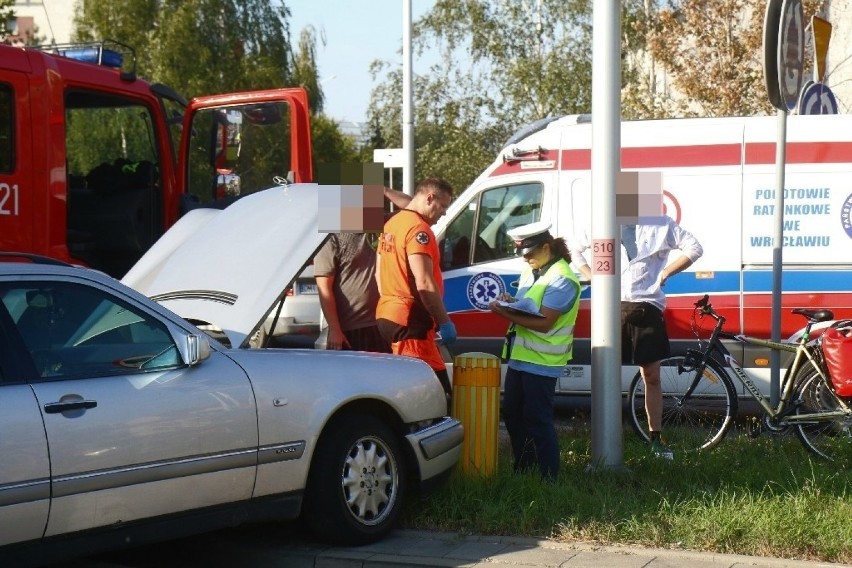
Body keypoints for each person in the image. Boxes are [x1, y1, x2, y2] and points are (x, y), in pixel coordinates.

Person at [569, 217, 703, 460]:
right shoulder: (604, 216)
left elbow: (695, 248)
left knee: (651, 376)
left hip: (647, 307)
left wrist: (665, 273)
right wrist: (591, 275)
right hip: (610, 306)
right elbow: (573, 247)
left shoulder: (661, 223)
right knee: (605, 377)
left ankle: (655, 438)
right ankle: (604, 440)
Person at [488, 221, 581, 480]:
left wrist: (504, 312)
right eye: (522, 254)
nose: (525, 258)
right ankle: (525, 467)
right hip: (521, 356)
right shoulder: (533, 270)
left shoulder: (562, 278)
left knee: (538, 419)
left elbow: (545, 322)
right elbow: (529, 304)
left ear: (547, 247)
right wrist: (511, 302)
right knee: (513, 413)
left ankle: (548, 476)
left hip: (543, 360)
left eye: (529, 253)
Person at [375, 177, 456, 398]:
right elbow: (424, 282)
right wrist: (444, 321)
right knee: (434, 395)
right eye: (444, 206)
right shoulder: (420, 230)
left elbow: (378, 273)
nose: (444, 213)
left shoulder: (392, 224)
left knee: (404, 389)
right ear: (430, 198)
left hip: (389, 314)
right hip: (411, 322)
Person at [314, 232, 391, 353]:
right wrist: (335, 330)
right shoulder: (330, 238)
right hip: (350, 330)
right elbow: (324, 288)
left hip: (380, 324)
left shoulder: (377, 229)